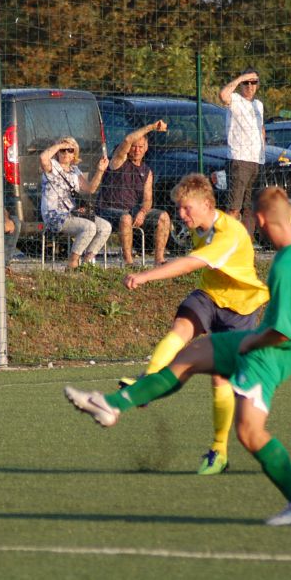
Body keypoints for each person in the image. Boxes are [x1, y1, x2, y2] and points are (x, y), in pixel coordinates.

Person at [66, 185, 291, 526]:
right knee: (189, 355)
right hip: (256, 339)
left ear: (259, 220)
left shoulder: (285, 265)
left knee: (251, 434)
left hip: (267, 356)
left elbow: (282, 332)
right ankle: (113, 405)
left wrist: (248, 346)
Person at [118, 173, 269, 475]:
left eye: (186, 209)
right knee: (181, 329)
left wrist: (146, 275)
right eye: (179, 209)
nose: (181, 214)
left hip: (240, 308)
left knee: (219, 379)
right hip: (210, 294)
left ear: (207, 204)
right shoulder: (201, 226)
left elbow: (190, 263)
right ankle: (148, 381)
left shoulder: (229, 234)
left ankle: (219, 450)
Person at [95, 120, 171, 266]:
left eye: (140, 147)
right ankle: (129, 262)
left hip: (133, 211)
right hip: (109, 210)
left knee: (164, 217)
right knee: (126, 219)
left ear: (146, 148)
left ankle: (159, 259)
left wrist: (143, 211)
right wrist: (151, 127)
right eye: (134, 147)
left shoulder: (147, 171)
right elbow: (128, 139)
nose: (137, 150)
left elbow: (148, 199)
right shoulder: (118, 160)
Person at [39, 136, 111, 270]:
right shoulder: (52, 166)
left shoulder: (75, 170)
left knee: (105, 227)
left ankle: (87, 261)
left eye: (70, 150)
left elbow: (90, 188)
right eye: (63, 150)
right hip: (55, 215)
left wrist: (100, 170)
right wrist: (59, 145)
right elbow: (43, 157)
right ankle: (72, 262)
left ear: (74, 154)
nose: (66, 153)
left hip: (73, 213)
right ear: (58, 152)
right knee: (89, 227)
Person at [220, 70, 266, 232]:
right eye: (247, 83)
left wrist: (263, 152)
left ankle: (247, 246)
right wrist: (241, 78)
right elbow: (223, 95)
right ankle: (224, 245)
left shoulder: (258, 105)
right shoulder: (235, 100)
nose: (250, 86)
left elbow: (261, 129)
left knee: (250, 209)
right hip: (240, 160)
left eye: (254, 82)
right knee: (234, 208)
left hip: (257, 161)